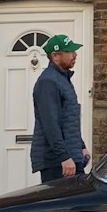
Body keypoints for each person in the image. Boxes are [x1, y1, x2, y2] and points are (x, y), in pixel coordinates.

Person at [31, 33, 89, 182]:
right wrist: (63, 156)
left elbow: (68, 120)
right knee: (59, 205)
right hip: (58, 162)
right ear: (55, 56)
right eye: (69, 52)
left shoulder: (62, 79)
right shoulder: (48, 82)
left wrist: (81, 146)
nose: (75, 55)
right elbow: (50, 123)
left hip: (71, 156)